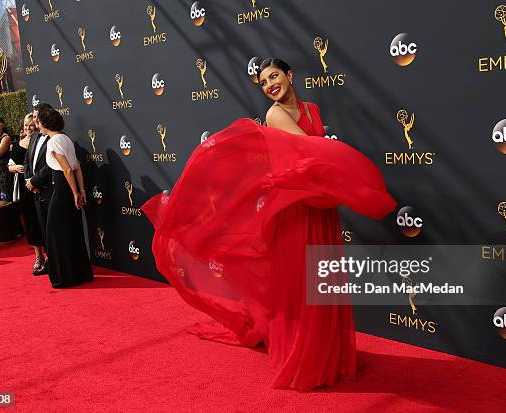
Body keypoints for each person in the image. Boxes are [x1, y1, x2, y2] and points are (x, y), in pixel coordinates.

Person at [141, 58, 397, 391]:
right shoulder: (275, 114)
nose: (269, 85)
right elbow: (309, 154)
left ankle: (328, 355)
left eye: (274, 76)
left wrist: (337, 182)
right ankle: (303, 359)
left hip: (317, 207)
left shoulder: (312, 109)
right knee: (300, 285)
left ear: (289, 75)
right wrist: (347, 173)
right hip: (293, 210)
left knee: (321, 281)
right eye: (263, 82)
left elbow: (317, 160)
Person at [36, 106, 93, 288]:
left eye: (39, 122)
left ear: (45, 124)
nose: (37, 125)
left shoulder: (53, 142)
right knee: (72, 231)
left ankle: (65, 277)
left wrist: (75, 193)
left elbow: (68, 169)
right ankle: (80, 273)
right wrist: (81, 191)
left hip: (62, 189)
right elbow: (77, 168)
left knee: (55, 233)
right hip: (70, 188)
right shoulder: (65, 138)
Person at [9, 113, 46, 273]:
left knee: (44, 222)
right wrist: (14, 168)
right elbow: (9, 165)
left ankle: (50, 255)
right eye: (26, 125)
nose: (28, 128)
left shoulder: (42, 141)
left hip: (41, 189)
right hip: (25, 190)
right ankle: (38, 256)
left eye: (31, 124)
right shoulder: (18, 144)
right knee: (31, 222)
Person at [24, 103, 54, 275]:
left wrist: (35, 181)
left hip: (49, 190)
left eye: (37, 117)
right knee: (42, 228)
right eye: (33, 117)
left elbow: (51, 165)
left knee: (51, 229)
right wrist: (29, 181)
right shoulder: (35, 136)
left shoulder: (54, 137)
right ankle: (48, 260)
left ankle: (53, 262)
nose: (35, 120)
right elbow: (28, 161)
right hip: (35, 192)